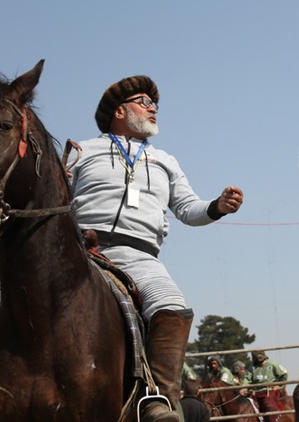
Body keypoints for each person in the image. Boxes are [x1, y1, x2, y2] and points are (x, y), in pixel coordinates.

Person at [70, 75, 244, 422]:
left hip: (139, 256)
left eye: (155, 104)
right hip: (79, 252)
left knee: (172, 307)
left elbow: (189, 208)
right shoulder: (81, 150)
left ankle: (157, 401)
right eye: (143, 101)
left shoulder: (166, 160)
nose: (153, 108)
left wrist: (218, 206)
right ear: (119, 111)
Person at [247, 351, 288, 422]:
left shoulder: (272, 364)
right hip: (255, 393)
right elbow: (247, 379)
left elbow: (284, 374)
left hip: (268, 391)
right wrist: (245, 388)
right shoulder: (252, 367)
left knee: (268, 405)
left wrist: (278, 386)